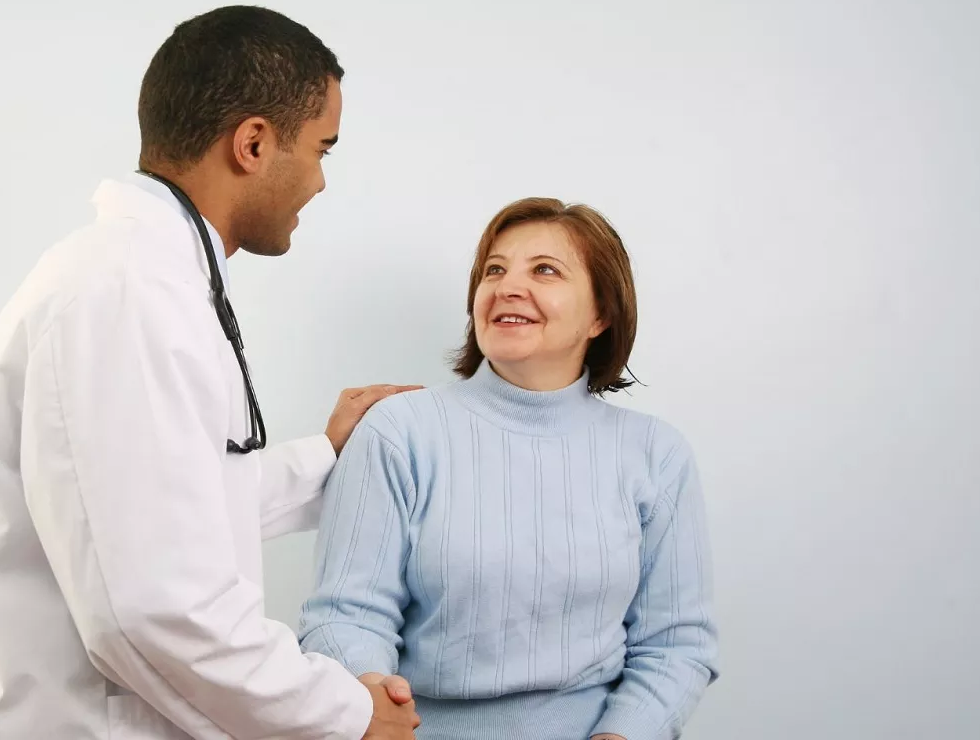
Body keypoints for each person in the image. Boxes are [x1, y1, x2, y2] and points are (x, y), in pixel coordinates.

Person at [0, 5, 423, 740]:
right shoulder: (126, 295)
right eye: (323, 149)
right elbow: (157, 609)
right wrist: (348, 714)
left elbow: (174, 503)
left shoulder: (151, 281)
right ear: (254, 144)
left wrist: (330, 457)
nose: (322, 182)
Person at [298, 198, 719, 739]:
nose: (506, 287)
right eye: (493, 270)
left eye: (545, 270)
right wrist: (377, 697)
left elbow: (677, 643)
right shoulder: (397, 431)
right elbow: (343, 615)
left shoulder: (656, 454)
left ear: (600, 314)